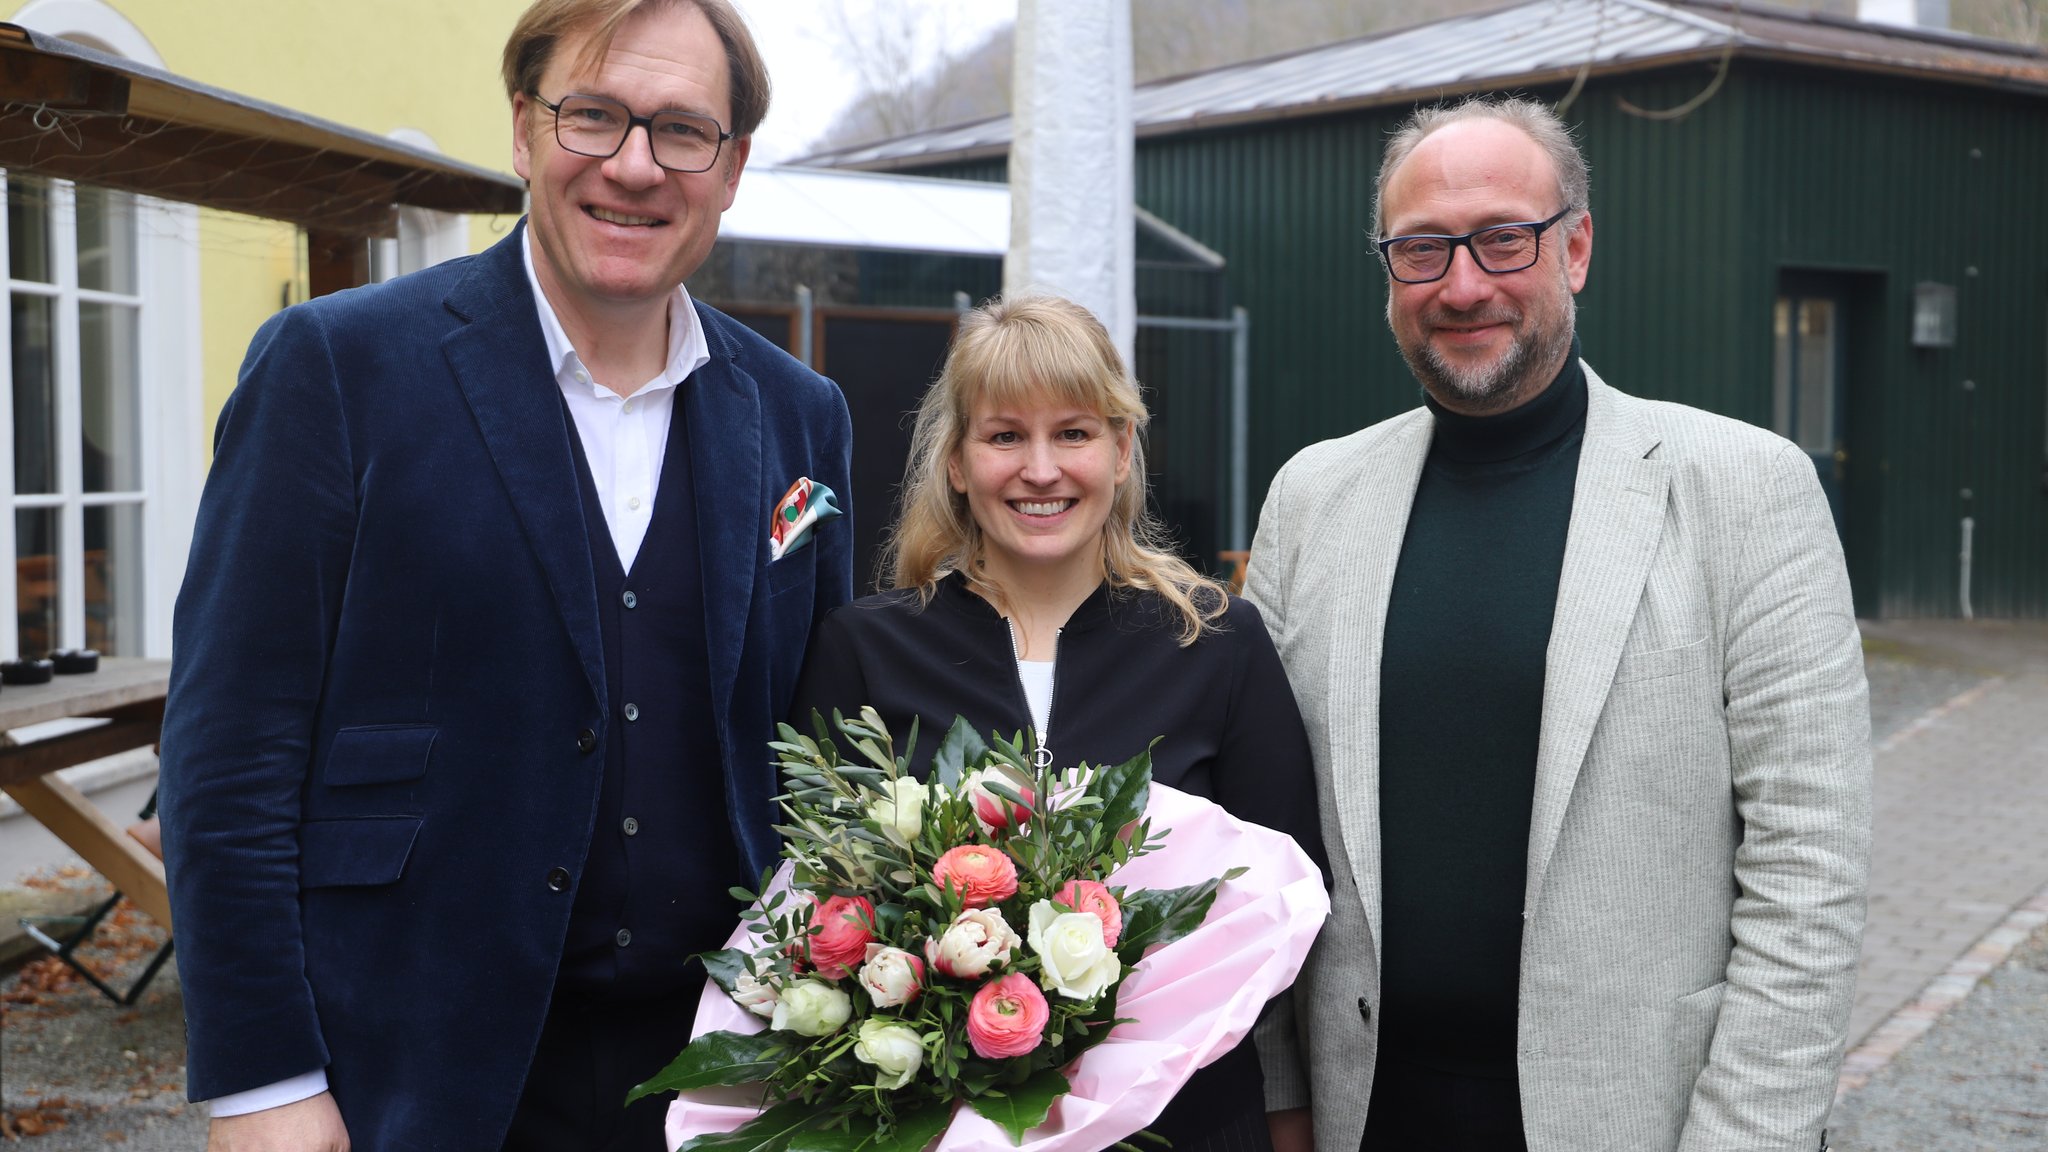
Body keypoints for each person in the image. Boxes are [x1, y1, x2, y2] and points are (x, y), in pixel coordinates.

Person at [156, 1, 852, 1148]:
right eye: (594, 116)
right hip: (418, 1067)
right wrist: (262, 1077)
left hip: (726, 1071)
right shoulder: (335, 368)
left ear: (729, 171)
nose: (633, 165)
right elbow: (230, 750)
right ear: (525, 132)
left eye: (683, 131)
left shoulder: (798, 416)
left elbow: (813, 754)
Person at [1246, 96, 1871, 1152]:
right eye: (1420, 250)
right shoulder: (1311, 499)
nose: (1461, 284)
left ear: (1574, 248)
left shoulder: (1742, 492)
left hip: (1640, 1120)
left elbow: (1807, 872)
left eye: (1501, 239)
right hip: (1366, 1115)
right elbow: (1254, 839)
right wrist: (1276, 1101)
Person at [789, 294, 1326, 1152]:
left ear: (1120, 450)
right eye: (1005, 436)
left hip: (1184, 1122)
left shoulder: (1215, 642)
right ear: (958, 462)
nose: (1041, 470)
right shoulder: (867, 650)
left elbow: (1288, 908)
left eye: (1072, 433)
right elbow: (817, 913)